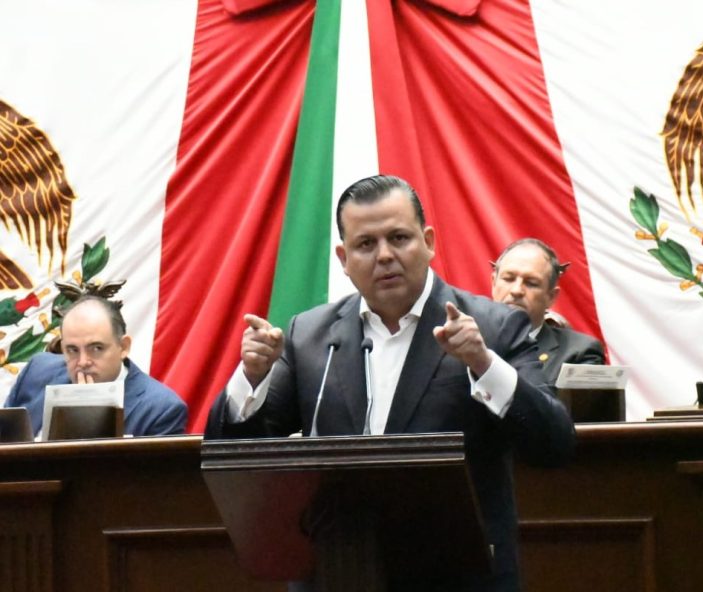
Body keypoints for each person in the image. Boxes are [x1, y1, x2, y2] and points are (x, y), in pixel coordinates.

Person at [205, 175, 576, 592]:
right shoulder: (309, 336)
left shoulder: (494, 328)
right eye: (366, 244)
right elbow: (231, 456)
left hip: (457, 578)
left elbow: (554, 444)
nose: (384, 256)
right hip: (338, 573)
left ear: (428, 242)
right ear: (344, 259)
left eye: (399, 238)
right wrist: (251, 378)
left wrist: (483, 363)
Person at [5, 296, 188, 436]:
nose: (83, 362)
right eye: (72, 350)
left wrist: (90, 421)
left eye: (96, 348)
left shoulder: (160, 409)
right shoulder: (37, 371)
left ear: (123, 347)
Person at [491, 238, 605, 386]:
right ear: (493, 283)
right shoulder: (466, 340)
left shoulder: (580, 352)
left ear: (551, 297)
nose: (516, 290)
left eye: (531, 283)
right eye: (508, 279)